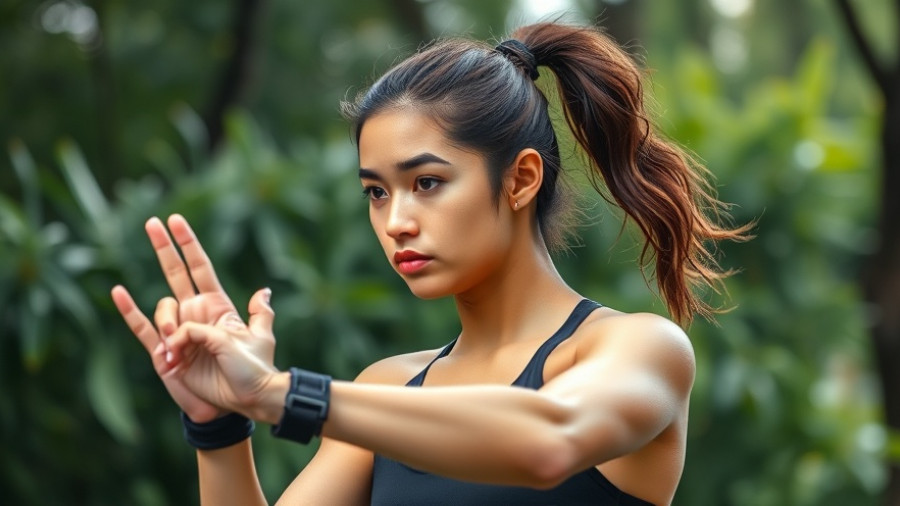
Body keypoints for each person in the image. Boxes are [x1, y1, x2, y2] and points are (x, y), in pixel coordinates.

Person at [111, 22, 749, 506]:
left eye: (427, 183)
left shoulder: (639, 349)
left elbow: (549, 441)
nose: (396, 222)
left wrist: (281, 394)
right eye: (376, 192)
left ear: (521, 179)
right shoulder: (388, 388)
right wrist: (219, 423)